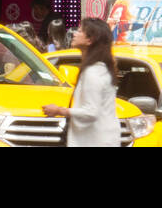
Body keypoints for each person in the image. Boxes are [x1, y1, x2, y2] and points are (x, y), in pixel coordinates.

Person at [42, 17, 120, 147]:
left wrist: (59, 110)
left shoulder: (93, 72)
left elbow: (90, 112)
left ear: (90, 40)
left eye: (79, 31)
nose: (74, 33)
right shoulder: (101, 69)